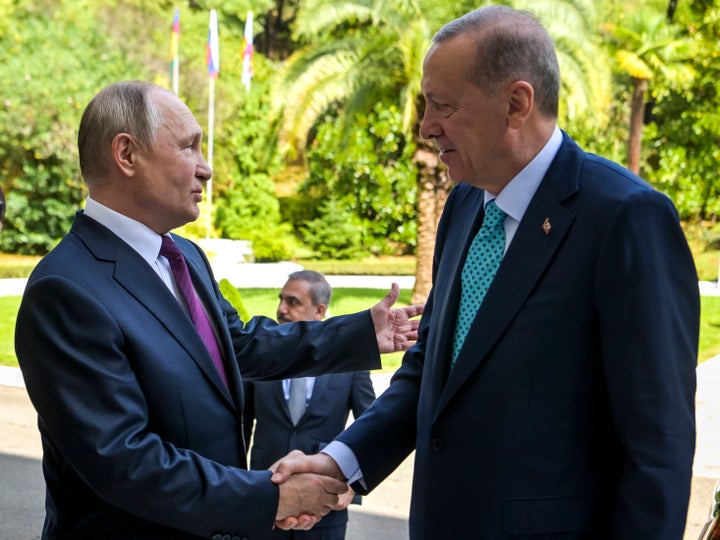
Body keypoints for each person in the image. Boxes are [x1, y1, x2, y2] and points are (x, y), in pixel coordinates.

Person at [271, 5, 700, 538]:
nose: (425, 127)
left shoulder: (625, 218)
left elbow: (658, 444)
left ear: (516, 103)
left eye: (443, 106)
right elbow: (434, 367)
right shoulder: (465, 204)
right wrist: (343, 460)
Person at [14, 80, 421, 540]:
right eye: (189, 147)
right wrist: (274, 498)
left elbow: (240, 344)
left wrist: (364, 332)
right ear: (126, 155)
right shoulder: (65, 290)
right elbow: (124, 461)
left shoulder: (185, 258)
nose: (206, 169)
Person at [244, 270, 375, 540]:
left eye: (293, 302)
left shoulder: (350, 363)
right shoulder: (260, 355)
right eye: (281, 300)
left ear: (319, 310)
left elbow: (370, 424)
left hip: (326, 503)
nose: (281, 309)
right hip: (266, 498)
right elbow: (241, 425)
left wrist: (352, 487)